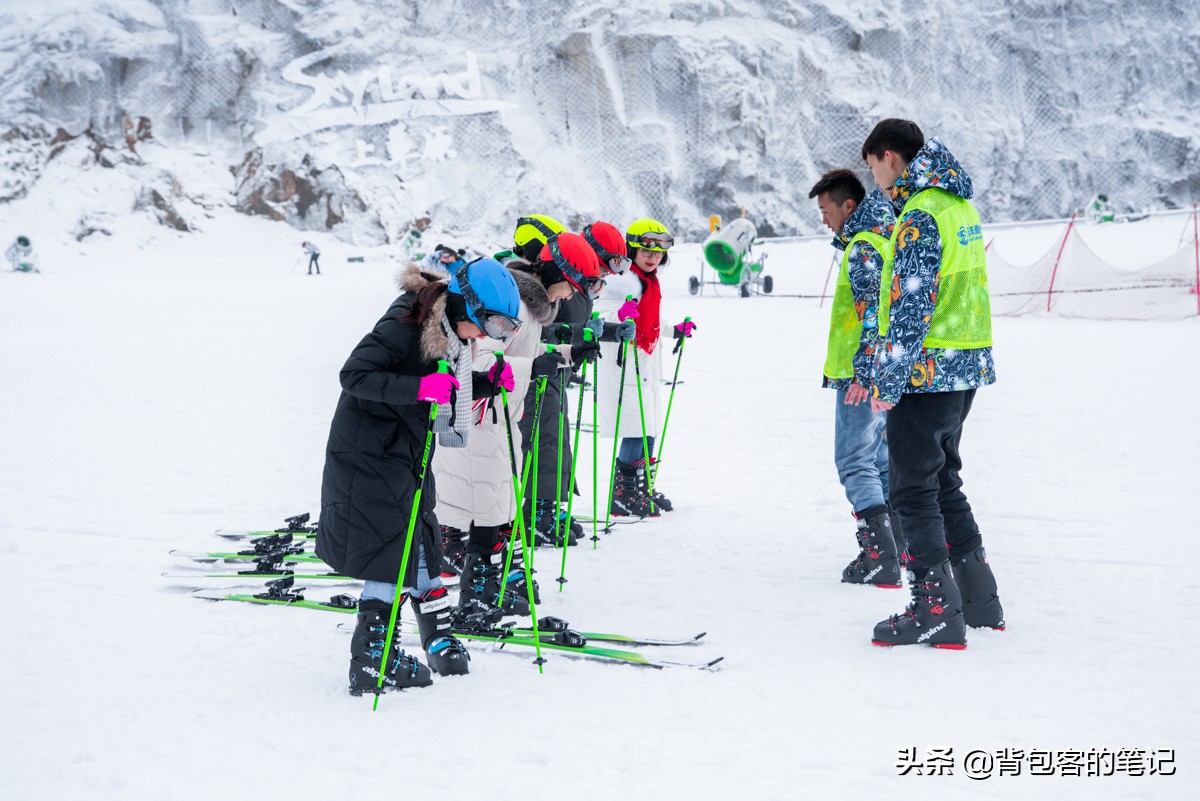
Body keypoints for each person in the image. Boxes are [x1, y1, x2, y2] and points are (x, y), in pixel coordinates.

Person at [315, 256, 522, 694]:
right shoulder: (406, 323)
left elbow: (445, 382)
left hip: (404, 450)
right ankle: (373, 657)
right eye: (489, 324)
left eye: (502, 329)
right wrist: (418, 390)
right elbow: (353, 375)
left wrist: (485, 383)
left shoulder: (449, 330)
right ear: (466, 306)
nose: (488, 336)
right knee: (390, 546)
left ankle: (437, 634)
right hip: (369, 452)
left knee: (421, 535)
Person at [861, 119, 1004, 649]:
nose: (874, 178)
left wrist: (889, 378)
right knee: (944, 481)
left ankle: (936, 610)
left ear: (890, 157)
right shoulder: (958, 205)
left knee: (911, 489)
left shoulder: (920, 214)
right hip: (964, 367)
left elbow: (911, 303)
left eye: (873, 165)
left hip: (926, 373)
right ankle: (978, 598)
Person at [431, 254, 565, 618]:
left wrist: (564, 354)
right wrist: (533, 367)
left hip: (502, 414)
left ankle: (488, 583)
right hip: (483, 416)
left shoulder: (531, 309)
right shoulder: (511, 305)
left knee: (498, 505)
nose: (572, 295)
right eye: (578, 282)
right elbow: (483, 360)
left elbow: (522, 353)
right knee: (488, 506)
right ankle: (477, 590)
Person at [807, 169, 903, 587]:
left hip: (859, 373)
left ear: (849, 206)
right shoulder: (880, 238)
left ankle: (880, 556)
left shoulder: (863, 247)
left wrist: (864, 373)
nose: (824, 220)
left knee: (854, 460)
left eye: (827, 210)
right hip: (875, 370)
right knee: (879, 460)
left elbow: (871, 316)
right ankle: (894, 548)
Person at [594, 218, 694, 517]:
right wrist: (619, 313)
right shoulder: (619, 279)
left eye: (658, 253)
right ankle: (622, 494)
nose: (652, 258)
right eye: (646, 252)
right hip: (624, 361)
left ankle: (641, 487)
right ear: (633, 251)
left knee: (649, 427)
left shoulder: (650, 281)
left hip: (646, 360)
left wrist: (673, 330)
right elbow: (600, 314)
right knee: (635, 429)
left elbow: (649, 320)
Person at [509, 232, 604, 546]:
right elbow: (495, 357)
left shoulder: (537, 306)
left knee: (551, 440)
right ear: (556, 272)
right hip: (498, 407)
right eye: (571, 288)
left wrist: (572, 354)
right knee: (533, 449)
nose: (568, 298)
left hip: (519, 396)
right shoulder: (518, 305)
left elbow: (535, 350)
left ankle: (540, 511)